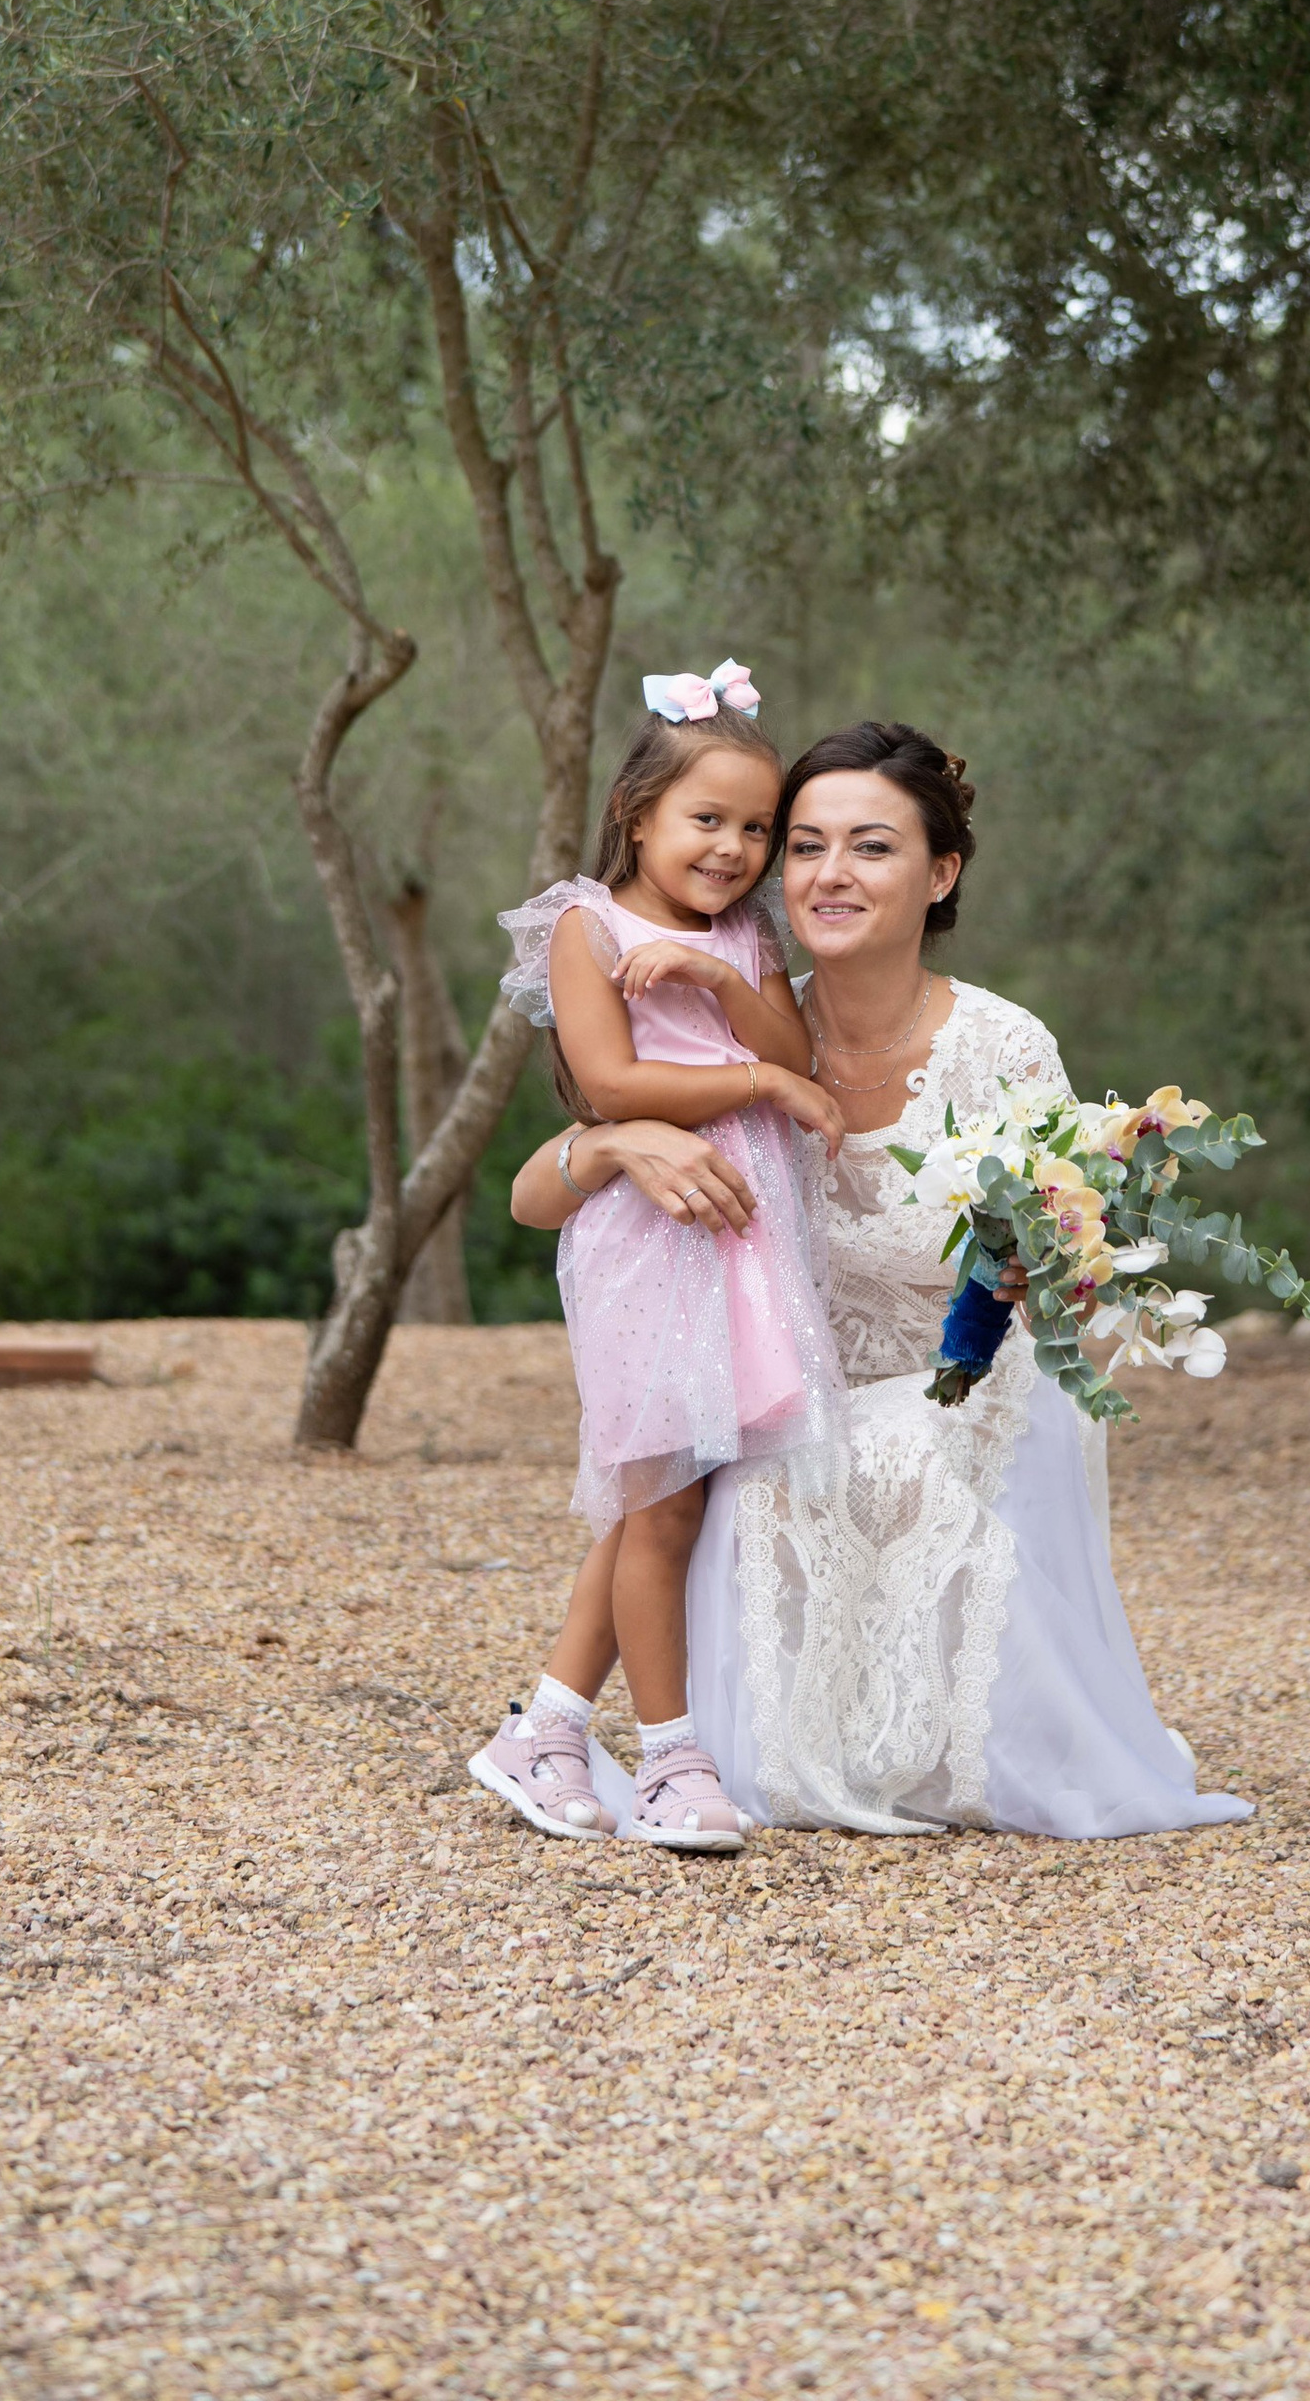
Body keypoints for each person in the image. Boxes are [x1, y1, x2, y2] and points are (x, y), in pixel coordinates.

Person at [511, 717, 1247, 1839]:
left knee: (942, 1439)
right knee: (711, 1474)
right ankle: (633, 1742)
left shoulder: (1001, 1048)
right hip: (781, 1396)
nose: (825, 873)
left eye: (870, 847)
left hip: (954, 1388)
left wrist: (1024, 1288)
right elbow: (534, 1190)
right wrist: (615, 1146)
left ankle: (950, 1728)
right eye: (803, 845)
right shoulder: (734, 1007)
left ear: (938, 871)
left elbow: (1050, 1281)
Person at [466, 663, 846, 1855]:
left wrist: (725, 985)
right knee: (663, 1505)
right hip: (650, 1235)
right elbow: (613, 1085)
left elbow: (797, 1049)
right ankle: (674, 1757)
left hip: (745, 1235)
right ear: (637, 813)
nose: (733, 849)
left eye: (754, 830)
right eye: (707, 820)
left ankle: (546, 1730)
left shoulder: (743, 936)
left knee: (665, 1500)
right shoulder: (587, 923)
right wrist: (760, 1081)